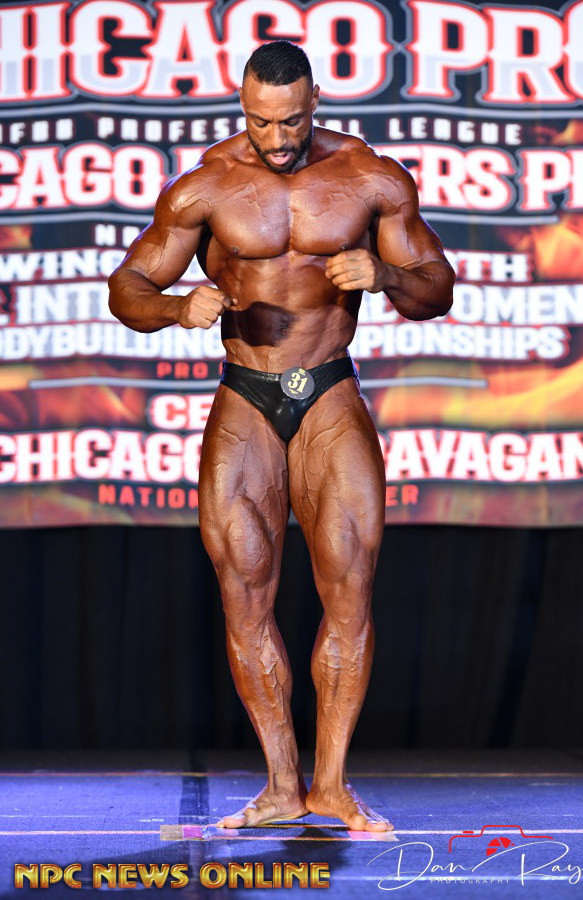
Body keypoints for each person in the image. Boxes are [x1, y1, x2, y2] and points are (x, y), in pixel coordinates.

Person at [108, 40, 454, 832]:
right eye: (260, 122)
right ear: (243, 108)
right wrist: (176, 308)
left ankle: (330, 786)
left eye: (291, 120)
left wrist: (387, 276)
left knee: (350, 588)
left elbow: (437, 288)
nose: (276, 137)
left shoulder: (370, 177)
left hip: (329, 389)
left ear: (314, 101)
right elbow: (128, 286)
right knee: (244, 589)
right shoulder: (205, 186)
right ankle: (278, 785)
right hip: (247, 396)